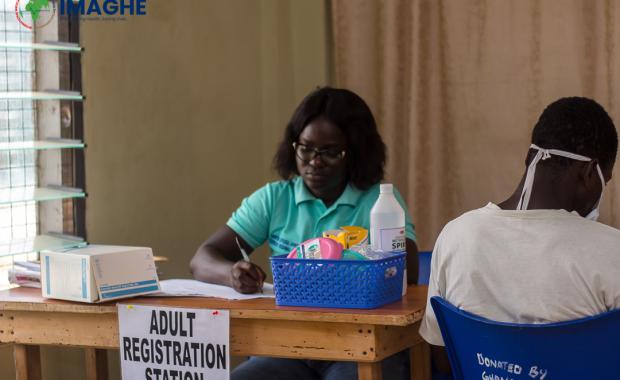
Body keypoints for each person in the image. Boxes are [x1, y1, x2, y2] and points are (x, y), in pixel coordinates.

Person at [190, 86, 419, 380]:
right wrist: (232, 273)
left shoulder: (379, 201)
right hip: (288, 346)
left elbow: (408, 272)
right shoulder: (275, 199)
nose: (315, 161)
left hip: (361, 345)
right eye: (306, 148)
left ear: (357, 154)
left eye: (331, 152)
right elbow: (202, 259)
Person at [419, 97, 620, 375]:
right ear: (588, 173)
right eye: (605, 181)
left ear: (530, 157)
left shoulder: (456, 236)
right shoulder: (612, 251)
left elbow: (444, 358)